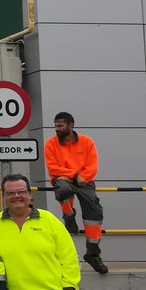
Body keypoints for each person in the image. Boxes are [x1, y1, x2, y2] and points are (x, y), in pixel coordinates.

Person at [45, 111, 108, 274]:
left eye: (60, 126)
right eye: (55, 126)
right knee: (63, 189)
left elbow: (93, 166)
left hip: (84, 181)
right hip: (64, 179)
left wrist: (82, 176)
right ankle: (69, 216)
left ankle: (93, 253)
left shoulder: (87, 142)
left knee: (95, 213)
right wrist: (74, 174)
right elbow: (52, 167)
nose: (56, 129)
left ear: (70, 126)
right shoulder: (51, 144)